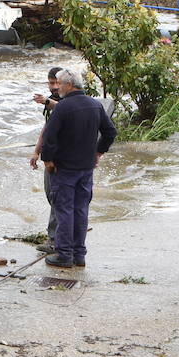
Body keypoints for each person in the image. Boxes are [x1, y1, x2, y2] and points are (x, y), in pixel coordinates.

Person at [37, 67, 117, 268]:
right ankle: (79, 254)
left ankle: (64, 254)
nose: (58, 88)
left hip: (65, 169)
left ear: (69, 85)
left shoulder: (63, 107)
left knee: (64, 210)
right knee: (81, 210)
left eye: (60, 84)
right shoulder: (94, 105)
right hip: (86, 168)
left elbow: (50, 137)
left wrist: (47, 160)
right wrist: (98, 152)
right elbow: (110, 132)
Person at [29, 67, 63, 253]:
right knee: (51, 195)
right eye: (51, 83)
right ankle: (59, 235)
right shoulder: (52, 103)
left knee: (57, 197)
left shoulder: (65, 101)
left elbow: (66, 109)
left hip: (62, 157)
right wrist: (36, 152)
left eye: (57, 83)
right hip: (49, 156)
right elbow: (46, 128)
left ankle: (56, 239)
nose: (54, 87)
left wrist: (48, 101)